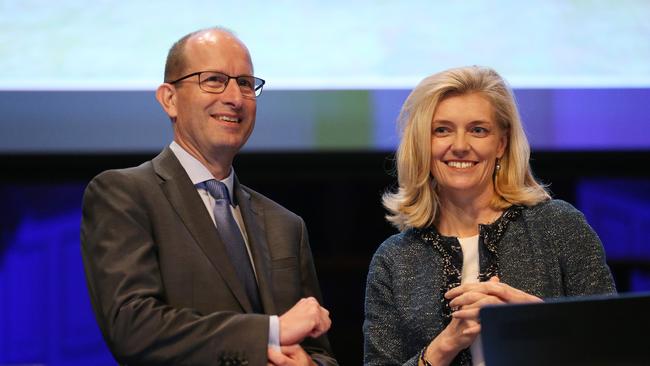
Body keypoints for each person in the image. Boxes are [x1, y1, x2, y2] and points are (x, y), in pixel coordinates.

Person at [81, 27, 337, 366]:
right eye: (214, 80)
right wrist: (271, 332)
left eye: (246, 83)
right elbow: (134, 326)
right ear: (169, 98)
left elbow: (321, 352)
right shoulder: (124, 195)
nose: (235, 97)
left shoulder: (285, 224)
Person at [363, 66, 616, 366]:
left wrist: (536, 317)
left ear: (501, 143)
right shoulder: (394, 258)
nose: (459, 146)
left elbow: (615, 346)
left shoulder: (558, 226)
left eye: (478, 130)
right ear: (422, 144)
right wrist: (446, 344)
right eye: (441, 130)